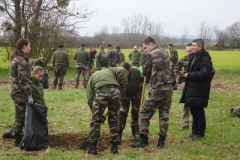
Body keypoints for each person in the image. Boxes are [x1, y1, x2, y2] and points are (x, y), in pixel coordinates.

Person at [130, 37, 173, 148]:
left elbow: (145, 70)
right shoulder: (165, 52)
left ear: (151, 44)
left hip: (158, 89)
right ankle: (161, 141)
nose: (145, 50)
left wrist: (137, 68)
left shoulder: (151, 54)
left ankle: (143, 141)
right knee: (164, 115)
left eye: (145, 48)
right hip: (168, 88)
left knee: (143, 114)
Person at [87, 67, 128, 155]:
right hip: (116, 92)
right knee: (113, 120)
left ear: (91, 74)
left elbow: (90, 98)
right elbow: (121, 69)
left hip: (101, 91)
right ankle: (114, 147)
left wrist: (95, 113)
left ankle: (93, 147)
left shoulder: (91, 79)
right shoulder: (109, 70)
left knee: (96, 122)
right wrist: (122, 86)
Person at [180, 39, 213, 140]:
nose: (192, 47)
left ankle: (200, 133)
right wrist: (184, 76)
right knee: (193, 110)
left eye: (194, 46)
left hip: (200, 89)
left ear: (200, 46)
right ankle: (194, 132)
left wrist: (189, 75)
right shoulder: (194, 57)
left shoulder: (205, 59)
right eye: (192, 45)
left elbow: (205, 74)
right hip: (192, 89)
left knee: (199, 111)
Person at [9, 38, 32, 146]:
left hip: (16, 91)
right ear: (24, 47)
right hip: (19, 93)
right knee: (20, 116)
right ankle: (17, 140)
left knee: (20, 114)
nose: (30, 48)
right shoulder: (21, 61)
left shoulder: (16, 58)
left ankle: (18, 135)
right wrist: (30, 94)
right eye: (29, 46)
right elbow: (23, 81)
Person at [118, 62, 142, 142]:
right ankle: (119, 133)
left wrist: (145, 73)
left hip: (136, 93)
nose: (123, 74)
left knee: (136, 112)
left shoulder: (136, 71)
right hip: (124, 94)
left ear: (129, 70)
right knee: (122, 112)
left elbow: (145, 79)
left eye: (125, 72)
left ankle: (135, 133)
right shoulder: (118, 73)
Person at [176, 43, 193, 130]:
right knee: (186, 105)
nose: (189, 52)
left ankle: (196, 124)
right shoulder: (184, 59)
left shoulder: (199, 59)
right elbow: (176, 69)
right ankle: (185, 124)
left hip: (196, 85)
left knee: (196, 105)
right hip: (186, 84)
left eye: (190, 50)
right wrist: (182, 81)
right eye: (187, 51)